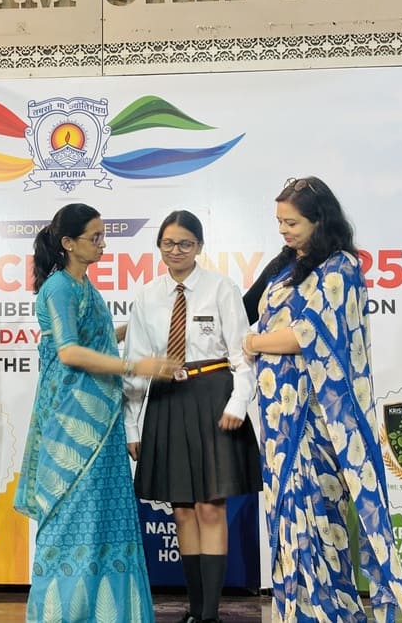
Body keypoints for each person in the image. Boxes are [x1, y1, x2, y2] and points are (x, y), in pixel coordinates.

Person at [242, 177, 402, 622]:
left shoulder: (340, 267)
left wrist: (255, 343)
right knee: (287, 521)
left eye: (292, 222)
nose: (283, 230)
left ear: (320, 220)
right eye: (279, 222)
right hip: (278, 419)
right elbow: (252, 311)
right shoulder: (286, 265)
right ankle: (296, 612)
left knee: (319, 520)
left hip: (316, 419)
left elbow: (307, 335)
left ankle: (330, 612)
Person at [14, 203, 179, 623]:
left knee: (102, 518)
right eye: (95, 237)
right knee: (71, 517)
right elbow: (70, 352)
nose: (103, 244)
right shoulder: (59, 288)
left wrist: (139, 328)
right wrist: (136, 365)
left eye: (103, 235)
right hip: (71, 423)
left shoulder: (84, 286)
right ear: (68, 243)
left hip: (101, 422)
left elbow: (97, 338)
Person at [123, 210, 262, 623]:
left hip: (214, 398)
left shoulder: (221, 287)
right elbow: (136, 364)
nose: (176, 250)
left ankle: (210, 613)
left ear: (199, 246)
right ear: (159, 247)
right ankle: (195, 609)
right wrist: (132, 424)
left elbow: (241, 354)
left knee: (210, 507)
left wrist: (238, 403)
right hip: (167, 400)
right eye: (168, 243)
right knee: (182, 509)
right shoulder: (146, 296)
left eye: (185, 243)